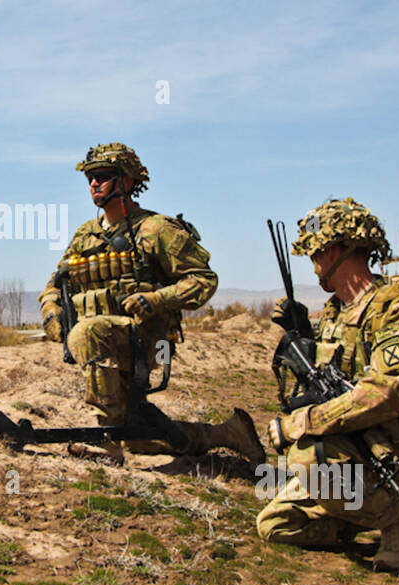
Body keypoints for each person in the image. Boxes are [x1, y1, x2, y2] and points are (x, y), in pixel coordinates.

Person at [256, 197, 399, 570]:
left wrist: (301, 423)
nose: (314, 265)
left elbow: (385, 395)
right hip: (358, 447)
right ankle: (359, 515)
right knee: (275, 525)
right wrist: (301, 336)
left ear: (334, 250)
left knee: (307, 454)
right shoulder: (336, 315)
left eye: (316, 254)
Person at [38, 142, 263, 463]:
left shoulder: (156, 229)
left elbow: (203, 280)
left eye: (102, 176)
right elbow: (55, 284)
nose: (93, 184)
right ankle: (228, 433)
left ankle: (106, 437)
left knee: (87, 332)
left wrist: (157, 298)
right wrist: (51, 312)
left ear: (127, 181)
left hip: (146, 339)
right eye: (89, 177)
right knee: (140, 437)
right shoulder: (84, 236)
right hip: (105, 345)